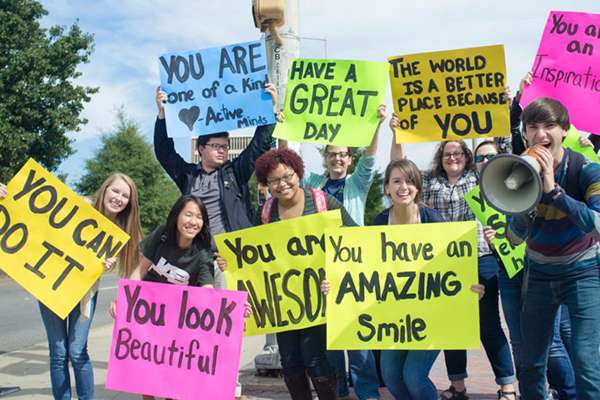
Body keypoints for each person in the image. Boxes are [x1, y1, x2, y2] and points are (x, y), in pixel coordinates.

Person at [390, 118, 517, 400]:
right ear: (440, 157)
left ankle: (507, 384)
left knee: (488, 323)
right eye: (447, 153)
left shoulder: (478, 177)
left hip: (481, 256)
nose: (452, 157)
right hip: (442, 262)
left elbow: (502, 155)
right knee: (452, 324)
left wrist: (505, 110)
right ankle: (457, 385)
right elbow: (400, 168)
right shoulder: (430, 180)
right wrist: (397, 133)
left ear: (467, 156)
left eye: (458, 153)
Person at [12, 173, 142, 400]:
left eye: (125, 196)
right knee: (59, 353)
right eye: (115, 191)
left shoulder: (120, 229)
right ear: (105, 189)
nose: (118, 198)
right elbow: (37, 217)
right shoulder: (79, 206)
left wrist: (107, 264)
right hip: (52, 286)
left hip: (85, 294)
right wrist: (8, 194)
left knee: (77, 351)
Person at [506, 97, 600, 400]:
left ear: (565, 130)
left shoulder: (587, 170)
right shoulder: (519, 172)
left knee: (586, 360)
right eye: (532, 127)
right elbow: (514, 238)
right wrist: (526, 206)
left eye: (549, 126)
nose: (540, 134)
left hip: (582, 271)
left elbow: (598, 225)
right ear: (525, 134)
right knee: (532, 362)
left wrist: (554, 192)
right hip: (540, 274)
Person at [110, 195, 248, 400]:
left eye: (199, 217)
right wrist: (124, 300)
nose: (193, 221)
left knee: (172, 377)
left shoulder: (203, 254)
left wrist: (234, 312)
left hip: (177, 321)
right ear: (177, 216)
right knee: (146, 370)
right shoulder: (162, 235)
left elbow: (208, 293)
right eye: (188, 215)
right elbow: (140, 271)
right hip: (147, 313)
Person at [253, 148, 357, 400]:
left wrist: (336, 275)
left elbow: (355, 239)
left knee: (314, 357)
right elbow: (253, 255)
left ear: (298, 174)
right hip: (283, 299)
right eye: (273, 181)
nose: (281, 184)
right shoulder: (265, 213)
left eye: (286, 176)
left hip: (318, 295)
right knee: (288, 360)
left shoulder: (323, 202)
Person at [298, 103, 387, 400]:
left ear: (350, 159)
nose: (337, 159)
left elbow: (371, 158)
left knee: (357, 329)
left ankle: (367, 391)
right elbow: (291, 167)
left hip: (354, 262)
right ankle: (337, 390)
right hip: (323, 262)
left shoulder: (357, 183)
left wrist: (377, 123)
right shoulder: (313, 184)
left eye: (342, 154)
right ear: (325, 158)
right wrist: (283, 131)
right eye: (332, 154)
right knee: (332, 331)